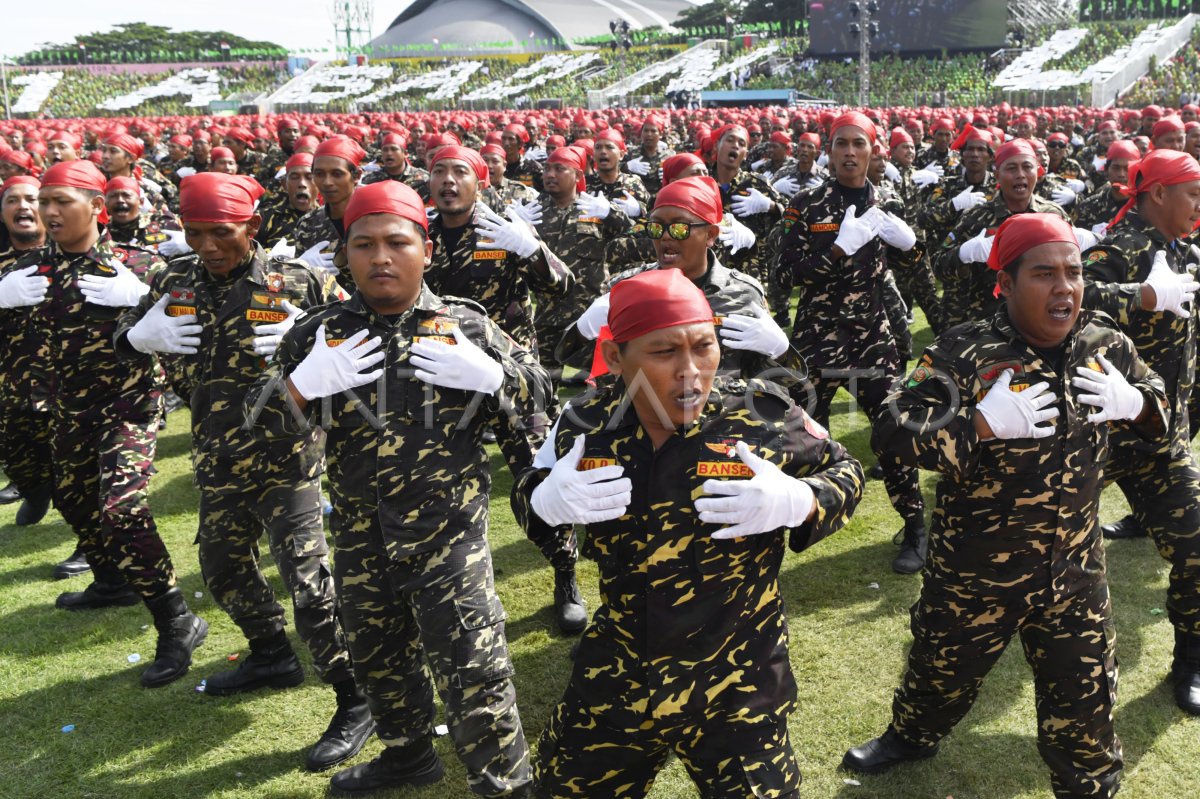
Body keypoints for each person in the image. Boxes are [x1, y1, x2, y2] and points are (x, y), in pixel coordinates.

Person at [844, 213, 1167, 799]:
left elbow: (1168, 417)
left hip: (1074, 569)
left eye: (1073, 272)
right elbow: (893, 428)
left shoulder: (1107, 344)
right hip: (976, 570)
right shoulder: (964, 349)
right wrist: (979, 425)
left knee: (1087, 706)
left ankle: (1091, 784)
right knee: (939, 675)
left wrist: (1138, 404)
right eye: (1044, 274)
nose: (1065, 287)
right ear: (1007, 284)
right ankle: (911, 736)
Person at [513, 267, 864, 799]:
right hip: (620, 672)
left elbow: (846, 470)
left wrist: (802, 500)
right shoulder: (586, 425)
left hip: (736, 680)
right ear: (616, 360)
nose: (690, 372)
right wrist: (542, 501)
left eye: (705, 347)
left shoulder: (760, 413)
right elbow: (531, 488)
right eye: (662, 353)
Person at [246, 180, 541, 797]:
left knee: (473, 667)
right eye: (364, 244)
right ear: (345, 253)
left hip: (447, 536)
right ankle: (408, 755)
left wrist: (495, 376)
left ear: (425, 251)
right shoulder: (316, 335)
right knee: (378, 656)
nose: (381, 257)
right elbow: (259, 428)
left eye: (397, 242)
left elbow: (538, 402)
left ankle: (505, 783)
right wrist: (300, 387)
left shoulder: (463, 325)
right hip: (358, 533)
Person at [114, 171, 368, 770]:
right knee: (223, 568)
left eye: (221, 233)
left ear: (252, 227)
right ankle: (271, 652)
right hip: (216, 455)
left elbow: (362, 335)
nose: (207, 246)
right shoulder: (171, 279)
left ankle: (355, 695)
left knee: (308, 582)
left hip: (288, 457)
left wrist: (313, 335)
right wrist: (134, 339)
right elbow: (134, 338)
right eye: (195, 232)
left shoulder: (297, 281)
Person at [1, 159, 205, 686]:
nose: (47, 212)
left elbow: (195, 296)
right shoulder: (22, 270)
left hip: (128, 406)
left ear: (95, 207)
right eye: (43, 202)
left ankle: (176, 619)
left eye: (60, 202)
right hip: (68, 410)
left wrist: (142, 293)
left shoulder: (136, 262)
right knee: (71, 497)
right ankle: (112, 580)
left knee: (122, 507)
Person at [775, 111, 928, 574]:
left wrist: (912, 245)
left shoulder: (891, 202)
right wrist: (838, 249)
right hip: (817, 341)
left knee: (895, 434)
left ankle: (916, 527)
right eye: (840, 143)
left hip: (872, 343)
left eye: (858, 143)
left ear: (872, 150)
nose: (849, 152)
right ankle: (779, 523)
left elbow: (922, 275)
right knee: (793, 436)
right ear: (828, 149)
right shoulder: (805, 204)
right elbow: (784, 274)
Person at [1080, 149, 1200, 714]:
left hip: (1158, 433)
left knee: (1197, 546)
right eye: (1192, 193)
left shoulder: (1187, 252)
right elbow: (1070, 304)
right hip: (1098, 432)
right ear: (1157, 194)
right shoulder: (1114, 250)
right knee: (1032, 550)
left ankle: (1193, 661)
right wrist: (1144, 296)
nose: (1199, 205)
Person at [936, 138, 1068, 328]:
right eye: (1012, 168)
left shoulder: (1053, 215)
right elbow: (940, 266)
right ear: (997, 175)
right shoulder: (975, 217)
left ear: (1037, 172)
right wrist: (964, 254)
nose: (1020, 175)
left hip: (1041, 321)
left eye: (1027, 167)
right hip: (988, 326)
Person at [0, 175, 55, 532]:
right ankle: (36, 493)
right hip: (11, 387)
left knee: (78, 469)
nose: (22, 206)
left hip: (68, 386)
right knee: (17, 460)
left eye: (30, 198)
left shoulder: (70, 256)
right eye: (12, 200)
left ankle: (93, 546)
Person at [292, 135, 365, 286]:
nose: (327, 182)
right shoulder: (308, 223)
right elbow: (300, 287)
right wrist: (300, 268)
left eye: (337, 174)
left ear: (356, 175)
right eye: (319, 174)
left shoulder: (375, 218)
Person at [256, 152, 319, 249]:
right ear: (285, 184)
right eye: (294, 177)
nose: (302, 183)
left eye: (309, 177)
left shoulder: (329, 218)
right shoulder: (265, 218)